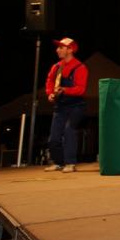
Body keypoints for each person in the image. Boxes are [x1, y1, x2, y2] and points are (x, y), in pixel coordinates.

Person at [44, 37, 89, 173]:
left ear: (70, 49)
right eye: (58, 47)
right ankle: (58, 162)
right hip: (61, 106)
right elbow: (50, 82)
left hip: (76, 106)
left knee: (69, 130)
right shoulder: (56, 67)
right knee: (54, 138)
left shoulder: (80, 67)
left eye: (61, 47)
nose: (57, 50)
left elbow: (81, 89)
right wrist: (50, 94)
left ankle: (70, 163)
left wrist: (65, 89)